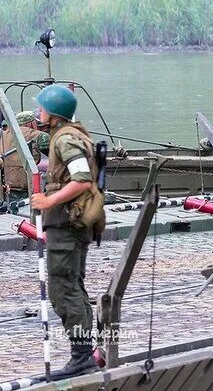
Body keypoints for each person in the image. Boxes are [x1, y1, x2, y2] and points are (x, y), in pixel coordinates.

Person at [29, 85, 103, 379]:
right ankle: (86, 352)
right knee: (74, 285)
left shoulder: (65, 139)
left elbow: (83, 179)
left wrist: (48, 200)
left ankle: (82, 356)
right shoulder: (73, 134)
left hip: (65, 224)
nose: (39, 113)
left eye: (43, 108)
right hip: (72, 224)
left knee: (63, 290)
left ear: (54, 113)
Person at [2, 110, 48, 213]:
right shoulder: (39, 135)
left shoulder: (2, 135)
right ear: (31, 123)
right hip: (26, 191)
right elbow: (57, 157)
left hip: (5, 190)